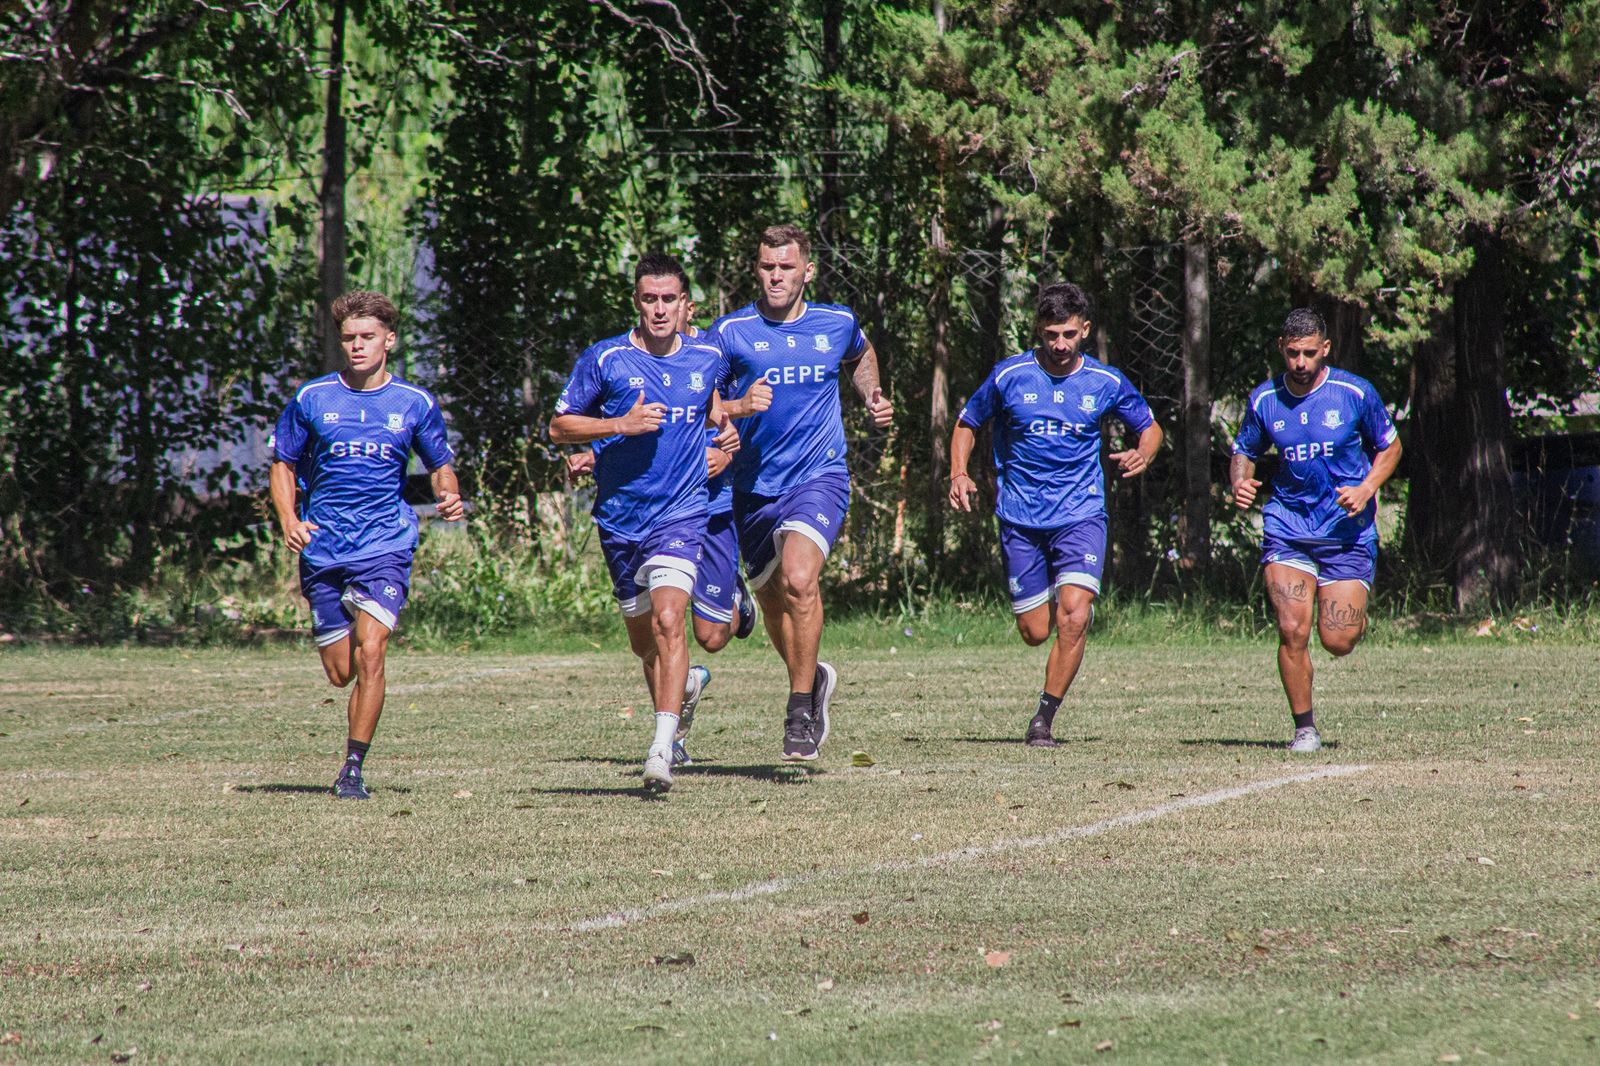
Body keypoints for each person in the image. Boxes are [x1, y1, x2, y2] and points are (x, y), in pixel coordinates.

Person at [550, 253, 738, 793]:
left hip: (681, 513)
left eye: (668, 300)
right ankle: (685, 692)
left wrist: (728, 435)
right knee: (643, 644)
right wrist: (617, 426)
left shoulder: (707, 357)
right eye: (649, 299)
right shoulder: (605, 359)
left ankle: (661, 748)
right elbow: (559, 426)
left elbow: (715, 410)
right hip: (619, 520)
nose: (658, 309)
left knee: (668, 621)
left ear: (686, 305)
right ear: (637, 301)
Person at [948, 282, 1163, 747]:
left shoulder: (1105, 382)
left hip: (1081, 514)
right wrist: (958, 473)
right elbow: (967, 422)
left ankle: (1043, 719)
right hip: (1020, 518)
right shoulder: (1010, 376)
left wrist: (1143, 453)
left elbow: (1149, 427)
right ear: (1038, 332)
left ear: (1085, 329)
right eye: (1051, 335)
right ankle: (1043, 596)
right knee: (1034, 631)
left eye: (1068, 334)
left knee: (1075, 615)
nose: (1060, 345)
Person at [269, 290, 464, 800]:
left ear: (389, 340)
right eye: (349, 338)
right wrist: (290, 517)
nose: (357, 346)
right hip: (325, 546)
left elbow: (440, 466)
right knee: (341, 673)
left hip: (385, 543)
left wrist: (449, 496)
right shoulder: (312, 399)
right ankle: (351, 629)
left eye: (367, 337)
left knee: (372, 651)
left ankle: (352, 768)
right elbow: (283, 464)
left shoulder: (414, 404)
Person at [714, 224, 894, 761]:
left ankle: (798, 711)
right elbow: (704, 398)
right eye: (768, 267)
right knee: (773, 605)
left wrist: (872, 394)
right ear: (757, 268)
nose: (776, 276)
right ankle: (811, 678)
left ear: (806, 271)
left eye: (786, 267)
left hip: (819, 475)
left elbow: (861, 354)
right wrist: (734, 411)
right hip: (751, 488)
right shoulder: (731, 332)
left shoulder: (835, 323)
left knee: (799, 580)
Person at [1230, 308, 1401, 753]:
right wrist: (1239, 481)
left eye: (1309, 353)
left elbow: (1391, 446)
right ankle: (1304, 729)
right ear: (1281, 351)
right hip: (1288, 527)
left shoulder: (1353, 393)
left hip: (1346, 533)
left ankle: (1344, 599)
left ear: (1325, 349)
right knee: (1292, 629)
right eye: (1292, 353)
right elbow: (1243, 449)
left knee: (1338, 640)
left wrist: (1366, 488)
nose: (1300, 362)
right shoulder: (1264, 400)